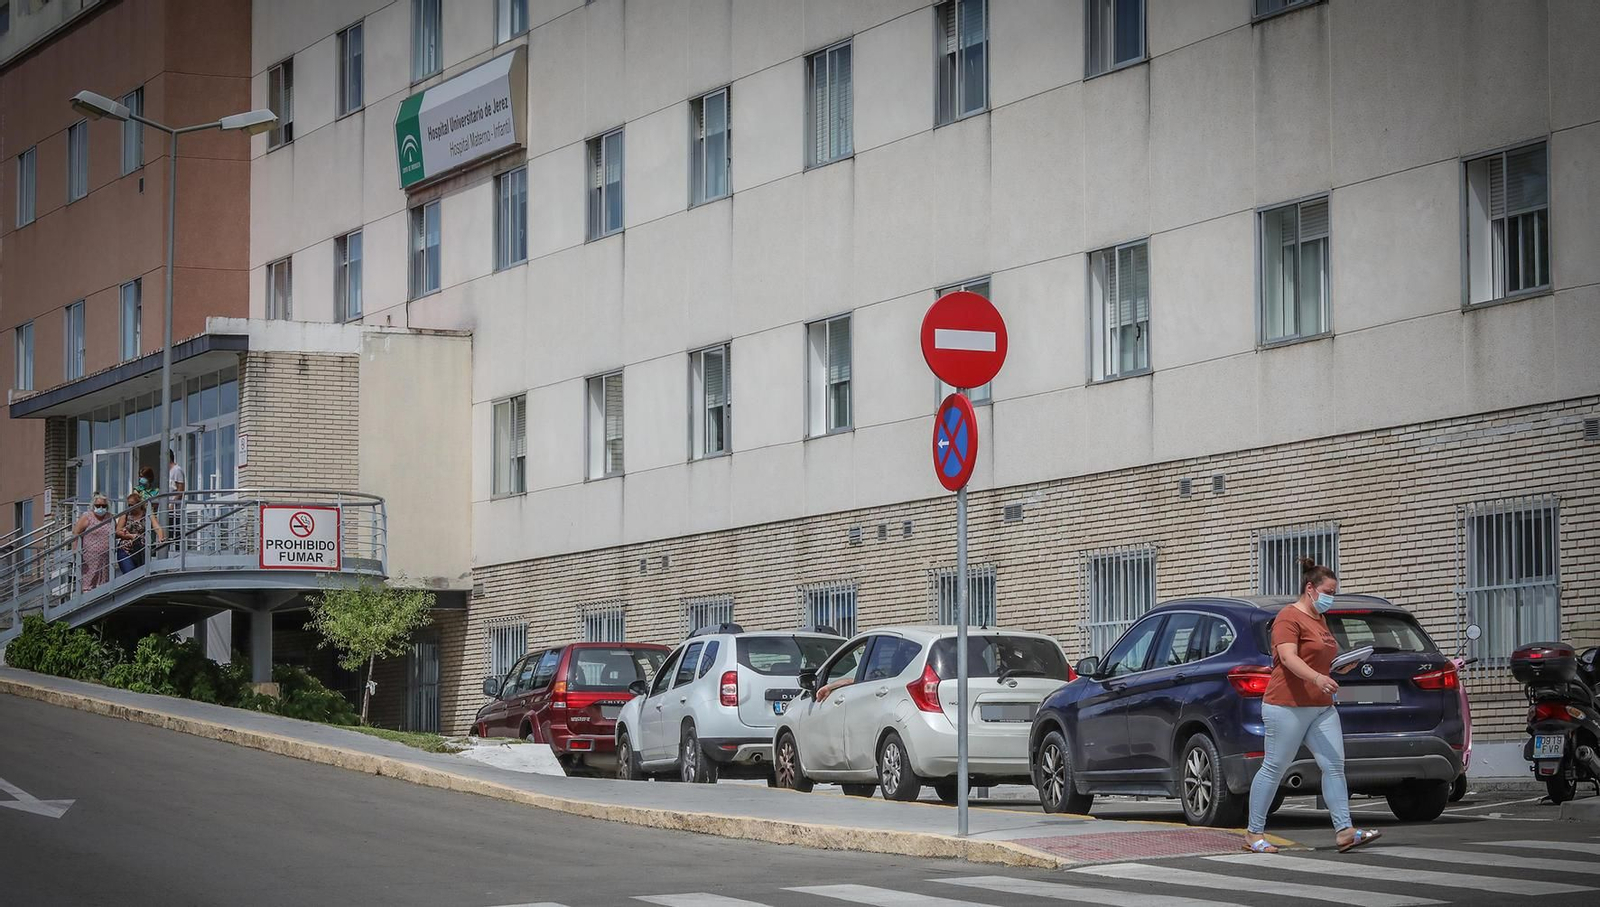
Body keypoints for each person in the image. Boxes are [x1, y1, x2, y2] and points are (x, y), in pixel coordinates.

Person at [1244, 557, 1381, 854]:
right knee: (1274, 768)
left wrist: (1339, 667)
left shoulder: (1320, 619)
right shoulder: (1287, 618)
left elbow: (1321, 658)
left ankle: (1345, 831)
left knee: (1333, 766)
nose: (1331, 597)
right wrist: (1319, 678)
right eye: (1328, 591)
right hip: (1286, 706)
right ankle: (1254, 833)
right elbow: (1289, 658)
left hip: (1320, 706)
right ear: (1310, 588)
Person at [73, 495, 115, 593]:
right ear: (93, 505)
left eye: (104, 506)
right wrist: (75, 549)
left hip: (106, 556)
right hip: (90, 556)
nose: (101, 508)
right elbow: (76, 533)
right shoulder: (87, 516)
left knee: (104, 579)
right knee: (90, 578)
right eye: (98, 505)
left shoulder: (110, 517)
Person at [115, 492, 164, 574]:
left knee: (140, 575)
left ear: (139, 504)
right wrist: (130, 536)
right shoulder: (125, 515)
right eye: (129, 505)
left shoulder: (147, 514)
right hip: (126, 548)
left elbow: (156, 526)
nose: (130, 507)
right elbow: (118, 531)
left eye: (132, 505)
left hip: (141, 549)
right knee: (129, 574)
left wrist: (160, 537)